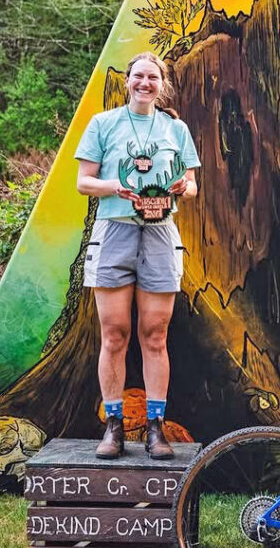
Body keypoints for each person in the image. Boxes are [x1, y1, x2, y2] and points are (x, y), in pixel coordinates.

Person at [75, 51, 199, 459]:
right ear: (127, 81)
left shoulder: (175, 128)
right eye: (139, 76)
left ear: (162, 85)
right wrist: (115, 187)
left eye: (153, 77)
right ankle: (113, 427)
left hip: (160, 233)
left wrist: (182, 188)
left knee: (155, 335)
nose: (145, 83)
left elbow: (192, 184)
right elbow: (83, 182)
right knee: (114, 334)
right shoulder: (103, 123)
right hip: (115, 231)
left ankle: (155, 428)